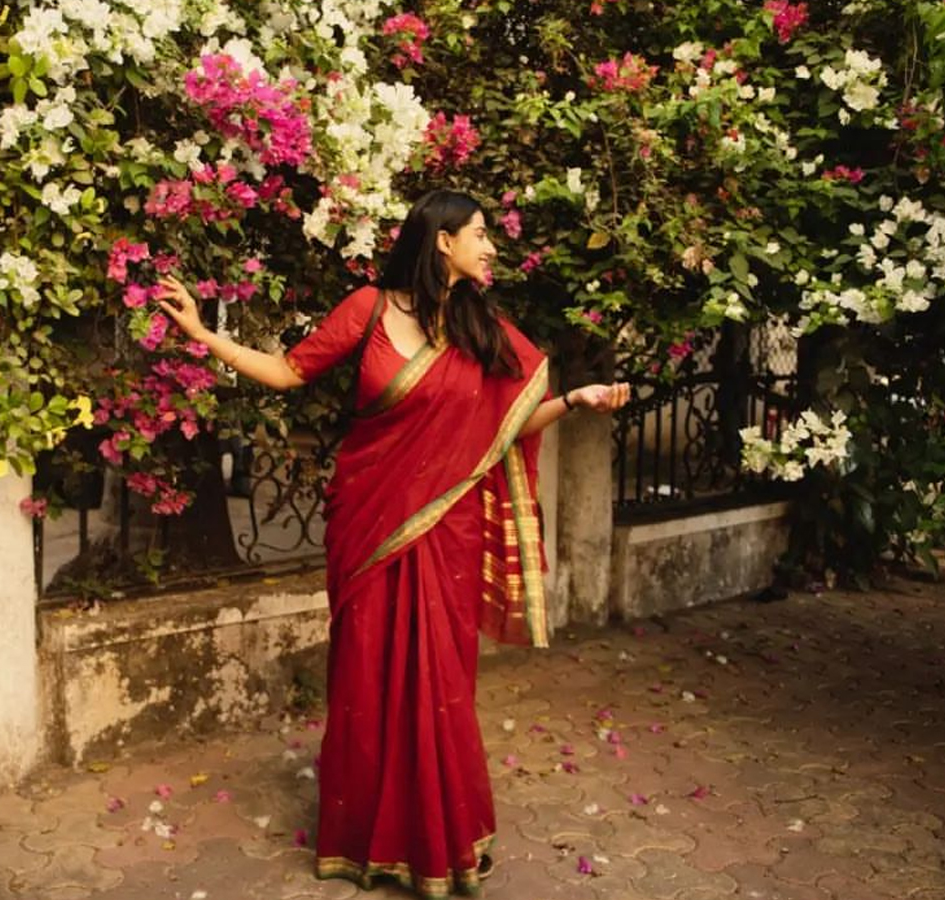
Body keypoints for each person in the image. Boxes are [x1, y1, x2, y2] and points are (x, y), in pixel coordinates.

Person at [158, 189, 628, 898]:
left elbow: (510, 427)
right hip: (370, 523)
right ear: (442, 241)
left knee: (440, 683)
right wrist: (204, 335)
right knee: (368, 677)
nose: (490, 247)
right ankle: (362, 842)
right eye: (479, 234)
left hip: (447, 531)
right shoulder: (370, 309)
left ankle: (439, 844)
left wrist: (576, 400)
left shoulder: (483, 328)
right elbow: (290, 371)